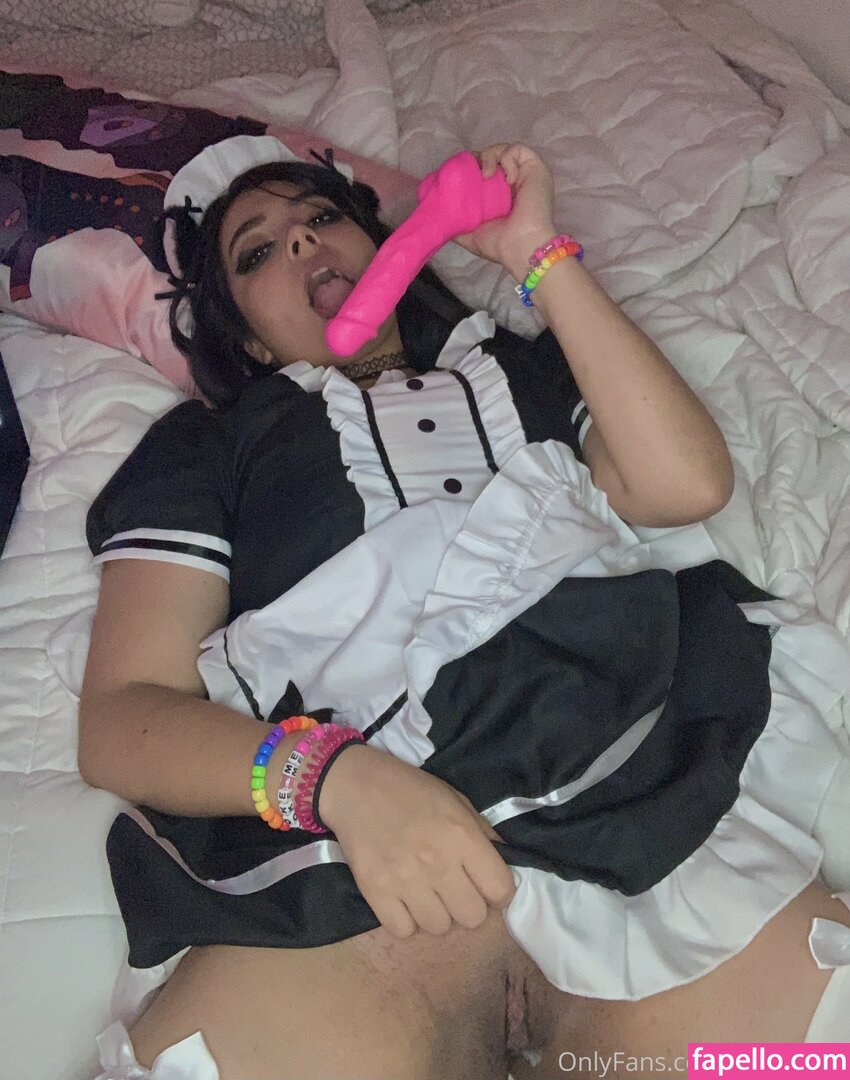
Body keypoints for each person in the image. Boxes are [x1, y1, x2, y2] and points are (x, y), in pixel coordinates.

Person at [79, 139, 850, 1080]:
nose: (303, 242)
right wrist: (337, 782)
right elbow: (123, 717)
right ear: (247, 340)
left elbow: (685, 483)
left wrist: (538, 254)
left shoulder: (523, 371)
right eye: (257, 251)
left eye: (322, 217)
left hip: (647, 810)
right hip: (350, 867)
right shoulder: (208, 447)